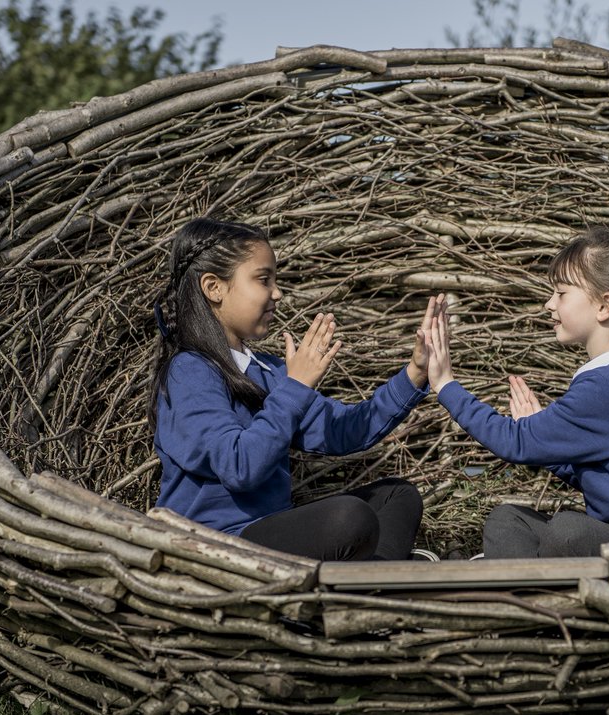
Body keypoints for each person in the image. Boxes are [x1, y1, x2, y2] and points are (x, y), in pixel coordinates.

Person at [149, 216, 445, 561]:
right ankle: (377, 577)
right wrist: (296, 385)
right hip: (216, 544)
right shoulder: (189, 371)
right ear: (213, 287)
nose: (277, 293)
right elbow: (239, 466)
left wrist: (415, 374)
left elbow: (345, 430)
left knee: (398, 495)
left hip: (272, 532)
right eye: (263, 280)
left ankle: (374, 580)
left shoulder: (269, 371)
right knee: (349, 518)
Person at [424, 226, 609, 558]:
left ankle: (522, 585)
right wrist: (548, 443)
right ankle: (521, 589)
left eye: (562, 293)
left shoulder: (608, 387)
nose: (548, 304)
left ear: (604, 306)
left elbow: (516, 442)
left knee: (567, 530)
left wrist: (445, 386)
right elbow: (603, 474)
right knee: (508, 520)